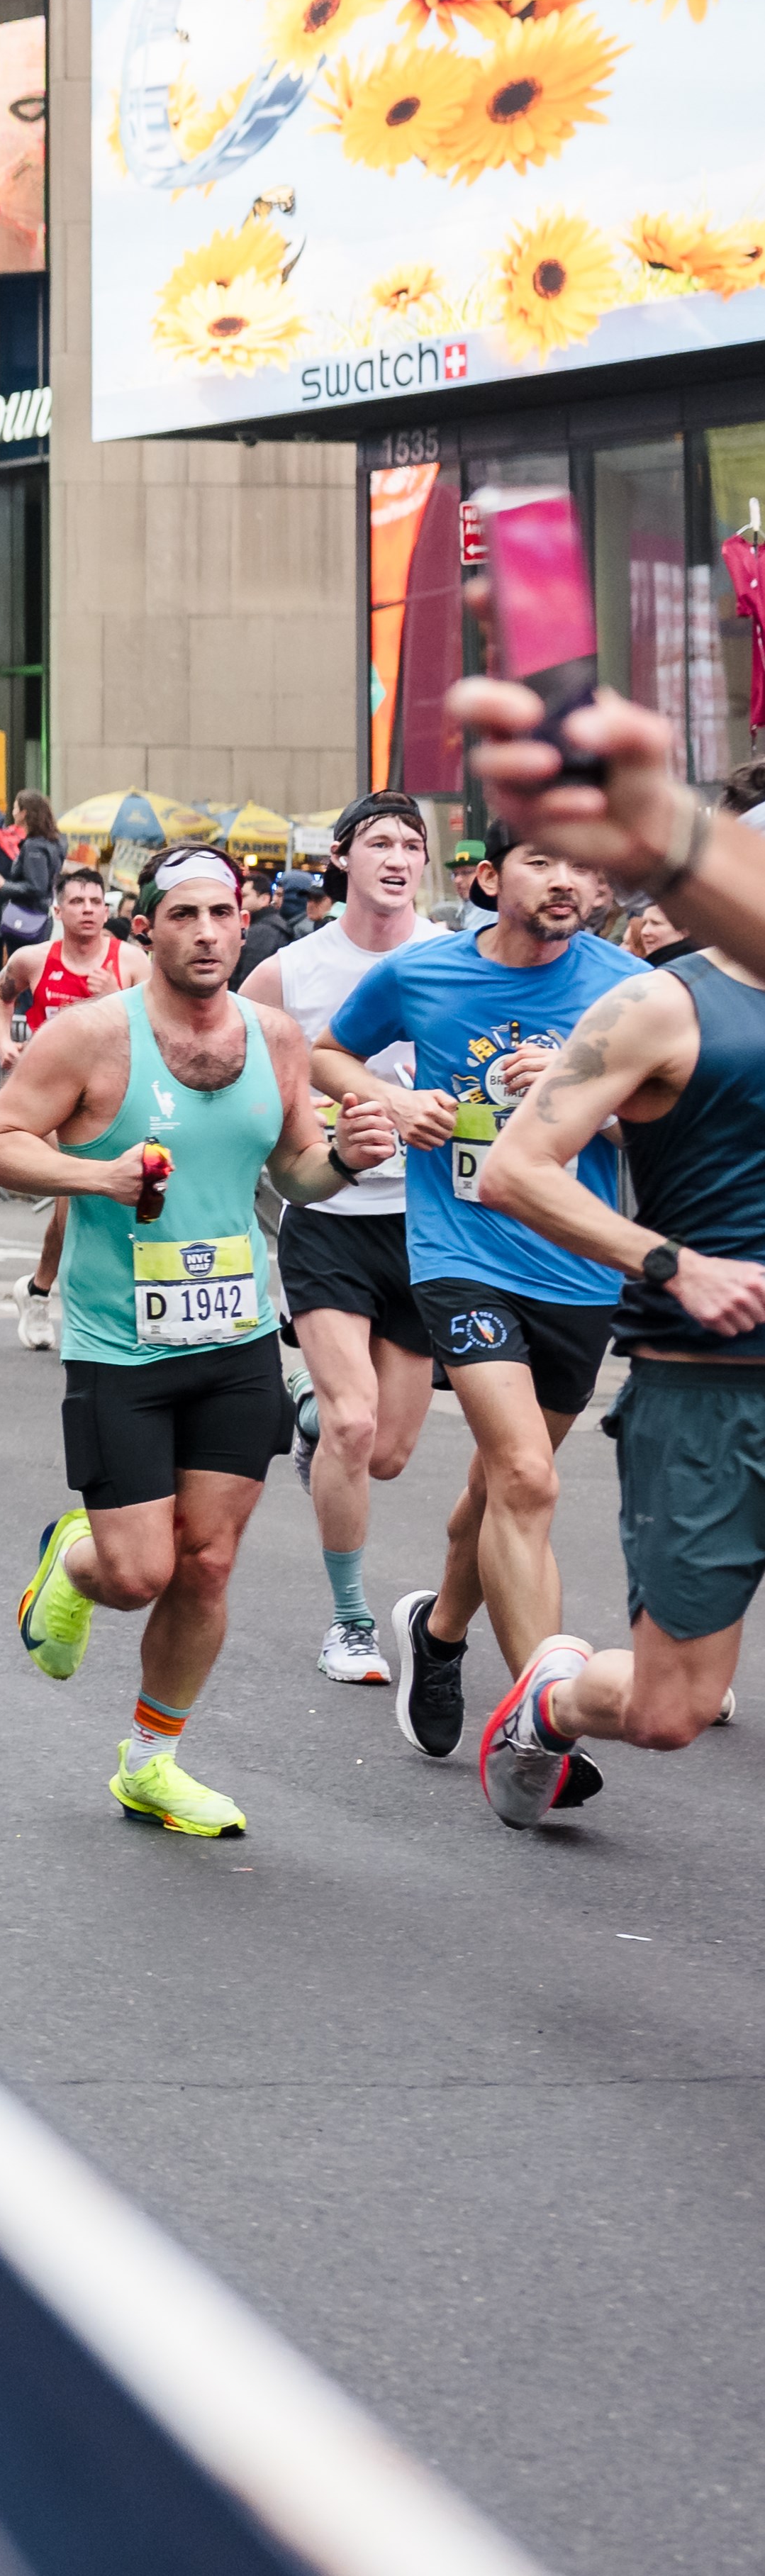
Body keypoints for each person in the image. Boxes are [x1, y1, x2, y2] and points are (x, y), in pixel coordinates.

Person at [0, 848, 384, 1841]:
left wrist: (344, 1158)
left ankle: (150, 1761)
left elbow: (294, 1168)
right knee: (137, 1572)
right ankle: (74, 1559)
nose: (204, 931)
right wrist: (99, 1176)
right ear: (143, 926)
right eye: (183, 913)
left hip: (235, 1334)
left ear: (244, 927)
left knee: (206, 1564)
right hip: (119, 1344)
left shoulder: (276, 1037)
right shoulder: (88, 1036)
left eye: (221, 914)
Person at [442, 759, 765, 1817]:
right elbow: (514, 1168)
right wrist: (672, 1260)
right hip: (709, 1390)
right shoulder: (659, 1005)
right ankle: (548, 1702)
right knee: (672, 1705)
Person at [320, 836, 645, 1770]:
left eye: (587, 866)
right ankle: (536, 1726)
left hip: (576, 1268)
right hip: (459, 1254)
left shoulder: (627, 989)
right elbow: (327, 1051)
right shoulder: (420, 973)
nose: (569, 881)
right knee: (528, 1479)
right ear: (489, 877)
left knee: (495, 1486)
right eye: (545, 860)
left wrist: (580, 1090)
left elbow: (668, 1115)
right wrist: (393, 1095)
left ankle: (439, 1628)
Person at [243, 797, 445, 1685]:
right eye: (378, 842)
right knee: (356, 1426)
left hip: (428, 1225)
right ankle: (351, 1621)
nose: (396, 857)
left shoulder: (454, 958)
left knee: (386, 1450)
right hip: (326, 1219)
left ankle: (304, 1414)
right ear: (341, 857)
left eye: (411, 844)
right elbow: (229, 1062)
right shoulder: (289, 970)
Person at [0, 869, 138, 1353]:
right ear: (58, 911)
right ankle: (75, 1308)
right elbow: (0, 994)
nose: (88, 910)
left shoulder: (131, 962)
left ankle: (37, 1288)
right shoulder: (34, 960)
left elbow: (152, 1019)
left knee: (89, 1202)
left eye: (96, 901)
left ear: (107, 909)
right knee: (76, 1194)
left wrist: (110, 998)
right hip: (52, 1103)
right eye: (76, 901)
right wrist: (2, 1039)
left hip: (113, 1097)